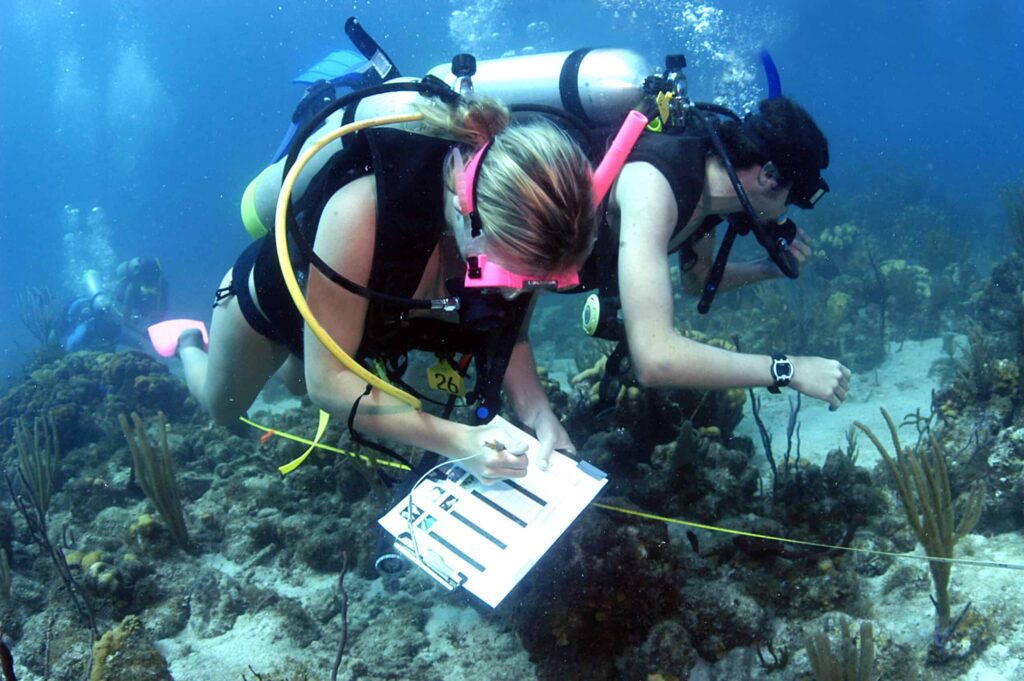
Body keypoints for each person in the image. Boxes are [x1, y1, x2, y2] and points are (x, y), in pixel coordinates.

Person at [170, 95, 597, 482]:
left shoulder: (533, 238)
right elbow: (329, 383)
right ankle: (189, 341)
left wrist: (540, 415)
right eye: (504, 279)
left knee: (297, 381)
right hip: (270, 308)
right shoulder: (362, 211)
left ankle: (299, 353)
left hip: (350, 326)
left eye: (531, 285)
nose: (511, 296)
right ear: (469, 212)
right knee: (221, 407)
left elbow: (511, 335)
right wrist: (458, 442)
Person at [579, 95, 851, 409]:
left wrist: (769, 268)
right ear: (769, 176)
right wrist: (789, 369)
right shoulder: (655, 187)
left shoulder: (709, 198)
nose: (785, 212)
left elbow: (698, 280)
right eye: (794, 197)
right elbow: (655, 359)